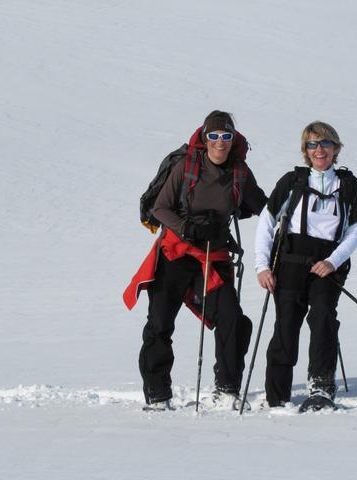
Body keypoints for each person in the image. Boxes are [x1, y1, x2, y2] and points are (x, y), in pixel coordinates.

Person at [125, 110, 267, 410]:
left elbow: (261, 206)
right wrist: (186, 227)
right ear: (204, 138)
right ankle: (157, 394)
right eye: (213, 136)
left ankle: (227, 389)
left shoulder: (240, 172)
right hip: (174, 254)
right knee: (160, 323)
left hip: (212, 258)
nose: (219, 142)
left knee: (231, 318)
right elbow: (161, 207)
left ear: (233, 139)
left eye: (226, 136)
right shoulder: (187, 167)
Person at [254, 121, 357, 412]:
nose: (319, 150)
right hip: (289, 261)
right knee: (286, 323)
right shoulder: (292, 182)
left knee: (323, 317)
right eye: (313, 145)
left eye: (326, 143)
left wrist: (333, 261)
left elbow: (355, 230)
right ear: (305, 151)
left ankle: (321, 388)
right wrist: (262, 266)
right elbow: (267, 222)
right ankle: (277, 395)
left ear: (336, 148)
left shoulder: (350, 186)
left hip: (327, 265)